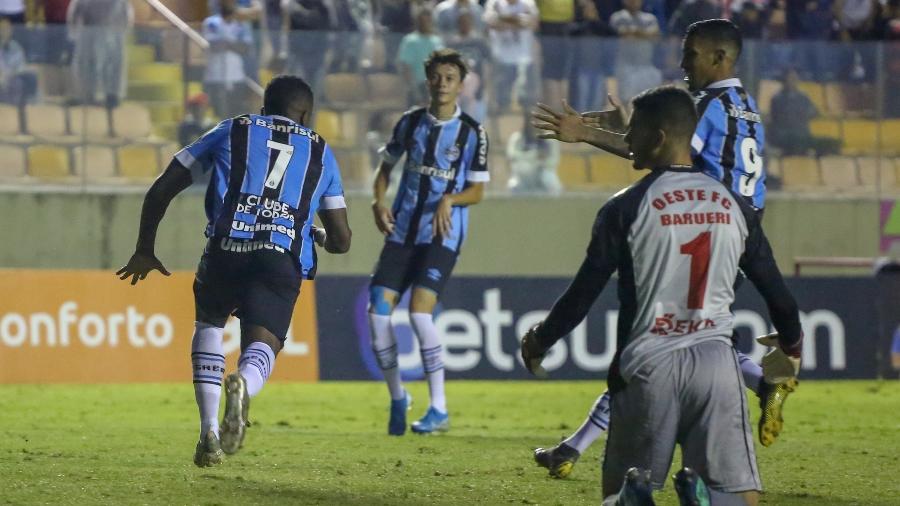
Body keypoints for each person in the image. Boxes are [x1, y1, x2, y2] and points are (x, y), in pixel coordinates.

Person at [530, 18, 798, 478]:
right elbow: (667, 143)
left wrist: (588, 134)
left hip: (697, 226)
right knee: (685, 336)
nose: (682, 62)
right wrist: (631, 127)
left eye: (691, 53)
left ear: (720, 58)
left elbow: (668, 152)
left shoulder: (708, 105)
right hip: (737, 229)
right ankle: (574, 447)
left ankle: (757, 385)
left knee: (656, 339)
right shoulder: (746, 105)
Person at [116, 75, 352, 467]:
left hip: (227, 247)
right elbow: (343, 240)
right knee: (265, 343)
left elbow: (164, 186)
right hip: (280, 255)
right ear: (307, 115)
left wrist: (144, 248)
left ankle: (209, 431)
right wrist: (319, 235)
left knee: (209, 324)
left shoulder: (233, 129)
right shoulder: (322, 152)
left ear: (264, 109)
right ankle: (244, 382)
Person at [368, 48, 489, 436]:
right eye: (436, 77)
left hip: (442, 234)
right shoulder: (410, 123)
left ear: (460, 84)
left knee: (421, 313)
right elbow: (385, 169)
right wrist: (377, 201)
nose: (442, 84)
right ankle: (398, 396)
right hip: (402, 231)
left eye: (450, 78)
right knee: (376, 313)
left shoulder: (472, 132)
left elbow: (478, 191)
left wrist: (450, 199)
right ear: (428, 81)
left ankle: (439, 408)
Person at [768, 68, 840, 156]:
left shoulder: (803, 97)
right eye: (790, 78)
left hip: (803, 135)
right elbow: (778, 119)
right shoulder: (777, 99)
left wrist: (809, 112)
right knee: (797, 141)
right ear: (784, 80)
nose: (792, 81)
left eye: (795, 78)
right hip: (786, 137)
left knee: (832, 143)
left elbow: (815, 112)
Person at [483, 0, 538, 113]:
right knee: (502, 98)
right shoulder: (494, 3)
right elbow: (492, 23)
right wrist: (517, 20)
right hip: (500, 57)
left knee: (524, 99)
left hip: (523, 58)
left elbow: (532, 23)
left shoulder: (528, 3)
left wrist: (502, 17)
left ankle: (524, 128)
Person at [202, 0, 253, 119]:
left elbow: (245, 48)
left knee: (235, 114)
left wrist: (226, 43)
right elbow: (214, 45)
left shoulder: (241, 25)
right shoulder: (211, 23)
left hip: (236, 76)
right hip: (215, 76)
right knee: (218, 115)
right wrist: (235, 45)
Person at [397, 7, 444, 107]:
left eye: (428, 20)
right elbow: (406, 66)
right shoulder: (410, 41)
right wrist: (414, 90)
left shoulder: (437, 41)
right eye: (422, 21)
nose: (426, 23)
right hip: (417, 86)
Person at [506, 110, 561, 194]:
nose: (535, 124)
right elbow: (512, 156)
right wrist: (534, 155)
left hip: (543, 173)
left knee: (548, 178)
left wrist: (542, 161)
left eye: (538, 121)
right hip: (523, 174)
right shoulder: (517, 138)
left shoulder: (550, 140)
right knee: (513, 184)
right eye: (532, 121)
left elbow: (554, 161)